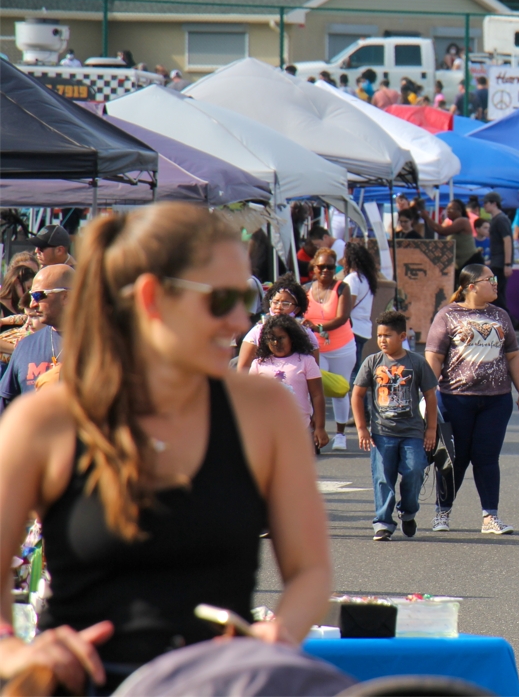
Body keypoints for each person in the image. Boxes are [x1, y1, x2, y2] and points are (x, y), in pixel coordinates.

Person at [0, 204, 330, 693]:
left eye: (246, 297)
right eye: (221, 300)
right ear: (153, 297)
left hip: (219, 686)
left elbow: (310, 571)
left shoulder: (264, 412)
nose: (241, 320)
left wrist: (274, 639)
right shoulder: (46, 419)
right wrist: (14, 649)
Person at [425, 264, 519, 535]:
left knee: (487, 458)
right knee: (456, 458)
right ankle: (442, 512)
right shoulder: (448, 315)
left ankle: (490, 517)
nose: (496, 284)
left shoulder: (501, 316)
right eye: (491, 279)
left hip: (496, 401)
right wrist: (427, 397)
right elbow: (434, 357)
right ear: (471, 286)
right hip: (455, 399)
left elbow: (513, 355)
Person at [352, 311, 437, 541]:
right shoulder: (372, 362)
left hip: (412, 433)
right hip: (382, 433)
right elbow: (357, 394)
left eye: (387, 336)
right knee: (382, 477)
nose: (382, 340)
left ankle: (408, 512)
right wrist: (362, 428)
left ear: (402, 336)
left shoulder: (416, 362)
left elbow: (430, 396)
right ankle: (383, 522)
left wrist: (431, 429)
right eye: (379, 335)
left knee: (415, 470)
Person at [247, 315, 327, 451]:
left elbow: (317, 395)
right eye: (272, 339)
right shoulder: (258, 363)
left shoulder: (306, 361)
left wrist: (320, 427)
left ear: (292, 337)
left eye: (281, 338)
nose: (276, 343)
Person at [303, 247, 355, 451]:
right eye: (321, 267)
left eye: (330, 267)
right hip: (316, 348)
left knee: (340, 389)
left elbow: (343, 317)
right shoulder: (306, 289)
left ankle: (341, 434)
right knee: (314, 390)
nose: (325, 271)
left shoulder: (342, 288)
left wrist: (319, 327)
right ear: (313, 268)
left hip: (341, 347)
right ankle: (315, 429)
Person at [0, 264, 73, 410]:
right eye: (31, 295)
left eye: (39, 296)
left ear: (65, 297)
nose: (32, 304)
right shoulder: (25, 347)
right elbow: (6, 408)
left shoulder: (101, 345)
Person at [236, 277, 319, 371]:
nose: (279, 307)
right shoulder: (257, 332)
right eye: (275, 302)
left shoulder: (306, 333)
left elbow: (314, 373)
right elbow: (242, 370)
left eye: (286, 303)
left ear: (297, 309)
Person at [341, 240, 379, 381]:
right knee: (357, 371)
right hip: (363, 328)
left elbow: (347, 306)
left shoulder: (352, 279)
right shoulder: (366, 279)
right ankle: (363, 402)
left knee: (352, 373)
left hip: (352, 329)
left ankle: (360, 402)